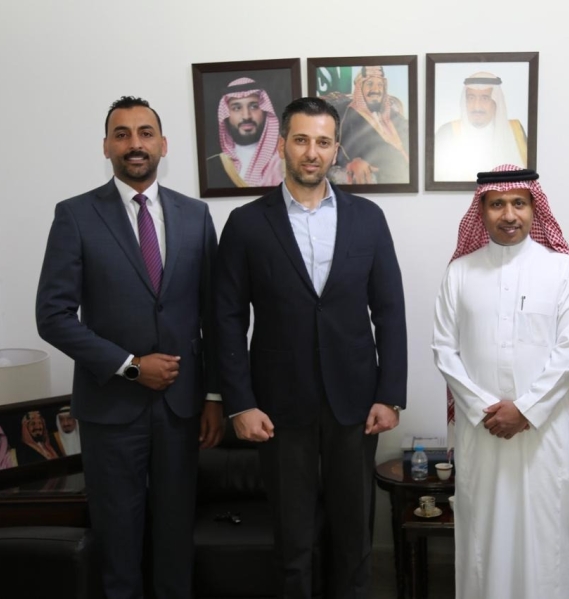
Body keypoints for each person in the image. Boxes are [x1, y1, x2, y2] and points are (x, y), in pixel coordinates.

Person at [214, 96, 407, 598]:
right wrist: (240, 403)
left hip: (356, 404)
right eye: (301, 140)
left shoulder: (368, 219)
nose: (312, 152)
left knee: (354, 536)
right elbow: (227, 320)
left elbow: (389, 310)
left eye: (323, 142)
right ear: (283, 145)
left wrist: (390, 395)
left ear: (336, 149)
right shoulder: (246, 224)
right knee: (292, 541)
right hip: (277, 406)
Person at [36, 95, 223, 599]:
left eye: (145, 133)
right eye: (122, 134)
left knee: (175, 537)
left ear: (164, 144)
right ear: (106, 147)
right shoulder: (75, 216)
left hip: (182, 408)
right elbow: (52, 317)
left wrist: (213, 396)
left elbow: (213, 316)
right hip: (110, 408)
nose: (134, 144)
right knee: (118, 540)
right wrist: (131, 366)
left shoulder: (195, 215)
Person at [432, 164, 569, 599]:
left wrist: (525, 410)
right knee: (482, 540)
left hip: (543, 436)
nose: (509, 214)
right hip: (481, 431)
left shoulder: (562, 270)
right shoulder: (459, 272)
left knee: (546, 541)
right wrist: (483, 409)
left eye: (519, 203)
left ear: (533, 208)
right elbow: (444, 349)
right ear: (482, 211)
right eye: (497, 204)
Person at [434, 72, 528, 181]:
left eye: (485, 98)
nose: (477, 106)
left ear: (496, 102)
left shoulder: (515, 131)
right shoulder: (447, 132)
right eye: (471, 98)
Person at [333, 66, 409, 184]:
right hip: (385, 177)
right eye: (369, 84)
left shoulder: (394, 115)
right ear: (360, 88)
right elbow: (338, 147)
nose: (376, 90)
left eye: (380, 85)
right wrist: (351, 162)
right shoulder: (347, 115)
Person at [206, 77, 284, 189]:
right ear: (226, 115)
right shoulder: (211, 166)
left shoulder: (284, 159)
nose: (246, 116)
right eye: (237, 108)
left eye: (254, 106)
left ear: (265, 111)